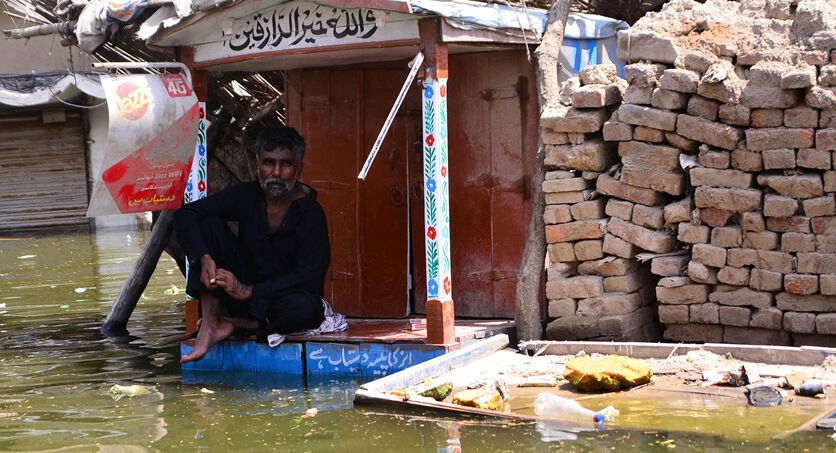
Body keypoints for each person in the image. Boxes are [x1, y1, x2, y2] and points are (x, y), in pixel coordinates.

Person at [174, 125, 329, 364]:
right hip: (240, 294)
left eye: (285, 164)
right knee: (208, 225)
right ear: (258, 165)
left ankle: (236, 325)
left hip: (278, 304)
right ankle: (212, 318)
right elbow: (187, 214)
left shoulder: (311, 213)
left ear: (299, 168)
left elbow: (308, 278)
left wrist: (250, 291)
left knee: (307, 308)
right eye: (268, 163)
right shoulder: (248, 195)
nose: (276, 172)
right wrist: (204, 258)